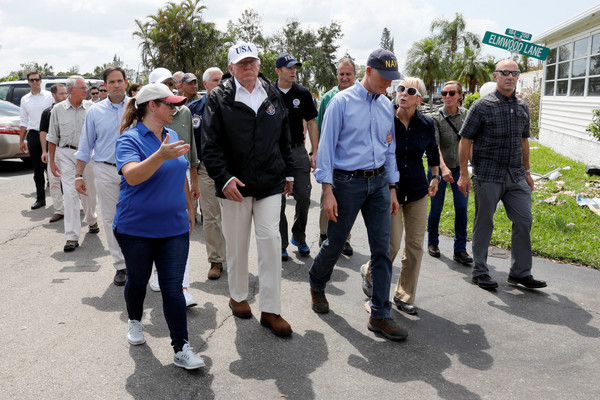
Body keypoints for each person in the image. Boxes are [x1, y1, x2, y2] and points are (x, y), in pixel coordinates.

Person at [308, 48, 406, 341]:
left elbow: (389, 149)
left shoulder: (386, 106)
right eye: (384, 78)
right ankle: (317, 281)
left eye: (392, 79)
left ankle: (379, 314)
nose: (388, 85)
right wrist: (327, 191)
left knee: (381, 249)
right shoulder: (341, 102)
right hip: (346, 183)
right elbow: (325, 150)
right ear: (369, 71)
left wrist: (391, 188)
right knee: (336, 242)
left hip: (377, 183)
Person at [202, 42, 294, 337]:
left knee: (269, 240)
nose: (248, 67)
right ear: (231, 69)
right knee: (238, 244)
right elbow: (209, 145)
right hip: (235, 187)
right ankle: (238, 296)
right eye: (241, 63)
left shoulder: (273, 94)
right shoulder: (218, 98)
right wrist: (224, 178)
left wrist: (288, 170)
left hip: (269, 183)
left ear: (259, 64)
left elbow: (284, 136)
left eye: (252, 61)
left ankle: (271, 308)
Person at [114, 83, 204, 370]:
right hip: (135, 228)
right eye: (170, 104)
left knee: (173, 288)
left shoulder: (173, 135)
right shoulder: (129, 139)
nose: (175, 108)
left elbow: (180, 176)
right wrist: (160, 155)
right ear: (152, 106)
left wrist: (190, 208)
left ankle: (182, 348)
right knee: (138, 281)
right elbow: (133, 177)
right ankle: (135, 321)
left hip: (174, 226)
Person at [457, 59, 547, 290]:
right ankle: (480, 271)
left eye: (514, 73)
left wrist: (527, 172)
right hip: (488, 174)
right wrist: (464, 175)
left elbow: (524, 141)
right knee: (484, 222)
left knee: (524, 220)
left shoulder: (522, 107)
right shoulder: (481, 106)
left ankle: (519, 273)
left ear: (518, 77)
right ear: (496, 76)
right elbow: (465, 139)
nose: (510, 76)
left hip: (516, 175)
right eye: (505, 72)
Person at [361, 77, 440, 316]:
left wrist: (435, 176)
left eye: (411, 90)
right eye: (401, 89)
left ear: (420, 98)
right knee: (391, 244)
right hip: (389, 190)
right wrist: (380, 140)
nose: (403, 93)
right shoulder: (385, 119)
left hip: (417, 191)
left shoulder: (427, 124)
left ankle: (404, 295)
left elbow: (433, 152)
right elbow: (368, 145)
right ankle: (369, 272)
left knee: (415, 246)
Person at [147, 67, 200, 307]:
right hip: (153, 183)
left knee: (182, 231)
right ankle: (157, 272)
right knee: (158, 231)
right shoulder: (141, 123)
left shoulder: (185, 111)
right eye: (165, 83)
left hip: (181, 179)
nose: (171, 87)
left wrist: (194, 179)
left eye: (172, 82)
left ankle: (183, 286)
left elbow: (191, 148)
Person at [75, 66, 129, 286]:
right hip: (105, 170)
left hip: (135, 170)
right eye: (112, 82)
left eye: (120, 81)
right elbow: (85, 145)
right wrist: (78, 174)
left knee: (139, 216)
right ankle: (121, 265)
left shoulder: (138, 107)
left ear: (126, 82)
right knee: (110, 218)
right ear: (105, 85)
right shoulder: (95, 112)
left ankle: (142, 263)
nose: (116, 85)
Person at [273, 53, 318, 261]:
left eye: (295, 68)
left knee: (304, 196)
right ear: (278, 71)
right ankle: (281, 243)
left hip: (298, 150)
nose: (293, 71)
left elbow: (311, 123)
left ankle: (298, 236)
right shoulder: (268, 92)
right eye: (289, 68)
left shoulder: (303, 93)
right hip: (275, 153)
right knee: (278, 201)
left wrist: (314, 151)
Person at [46, 76, 99, 252]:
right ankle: (71, 236)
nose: (86, 90)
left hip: (88, 155)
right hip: (66, 153)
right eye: (83, 88)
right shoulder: (57, 110)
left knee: (89, 192)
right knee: (69, 193)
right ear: (71, 90)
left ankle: (91, 219)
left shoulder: (92, 108)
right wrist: (53, 161)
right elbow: (52, 137)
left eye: (86, 87)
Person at [427, 81, 473, 265]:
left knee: (462, 207)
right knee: (436, 207)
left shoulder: (467, 115)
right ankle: (432, 242)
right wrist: (442, 170)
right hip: (438, 170)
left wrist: (469, 170)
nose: (446, 96)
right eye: (444, 93)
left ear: (460, 95)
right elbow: (434, 147)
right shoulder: (436, 117)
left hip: (459, 170)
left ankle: (460, 249)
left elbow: (470, 142)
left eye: (451, 93)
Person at [187, 67, 226, 280]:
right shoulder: (193, 110)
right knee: (211, 216)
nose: (220, 84)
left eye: (222, 80)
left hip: (230, 170)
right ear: (206, 84)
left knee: (231, 217)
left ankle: (233, 256)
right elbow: (189, 143)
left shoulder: (234, 106)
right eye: (215, 80)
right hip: (204, 169)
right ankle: (216, 260)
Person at [316, 58, 357, 255]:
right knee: (328, 194)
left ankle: (345, 239)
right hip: (331, 157)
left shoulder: (360, 98)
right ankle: (324, 234)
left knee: (348, 201)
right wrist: (316, 153)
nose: (345, 77)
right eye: (341, 73)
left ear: (355, 75)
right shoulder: (328, 98)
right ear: (337, 75)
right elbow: (320, 127)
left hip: (351, 161)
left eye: (348, 74)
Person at [18, 71, 53, 210]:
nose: (34, 82)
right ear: (28, 82)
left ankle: (62, 201)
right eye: (31, 80)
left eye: (37, 80)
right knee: (37, 169)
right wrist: (21, 140)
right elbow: (23, 121)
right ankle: (40, 199)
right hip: (33, 135)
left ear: (41, 80)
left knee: (53, 167)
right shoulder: (25, 99)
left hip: (50, 135)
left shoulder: (49, 96)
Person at [40, 83, 67, 223]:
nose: (64, 96)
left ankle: (83, 209)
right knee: (54, 182)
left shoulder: (70, 109)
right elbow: (43, 132)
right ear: (53, 95)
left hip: (69, 150)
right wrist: (44, 151)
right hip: (53, 151)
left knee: (74, 180)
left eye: (65, 93)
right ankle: (59, 210)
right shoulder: (47, 112)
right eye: (61, 93)